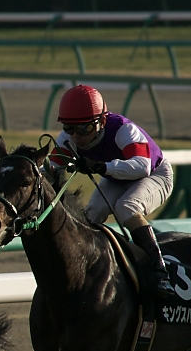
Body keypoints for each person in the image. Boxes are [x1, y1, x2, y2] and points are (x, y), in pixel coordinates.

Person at [47, 84, 176, 298]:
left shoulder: (124, 130)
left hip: (155, 174)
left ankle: (160, 272)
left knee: (126, 207)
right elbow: (49, 170)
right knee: (91, 215)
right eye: (69, 128)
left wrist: (100, 167)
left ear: (102, 121)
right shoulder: (68, 138)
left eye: (84, 128)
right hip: (116, 178)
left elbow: (142, 166)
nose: (76, 136)